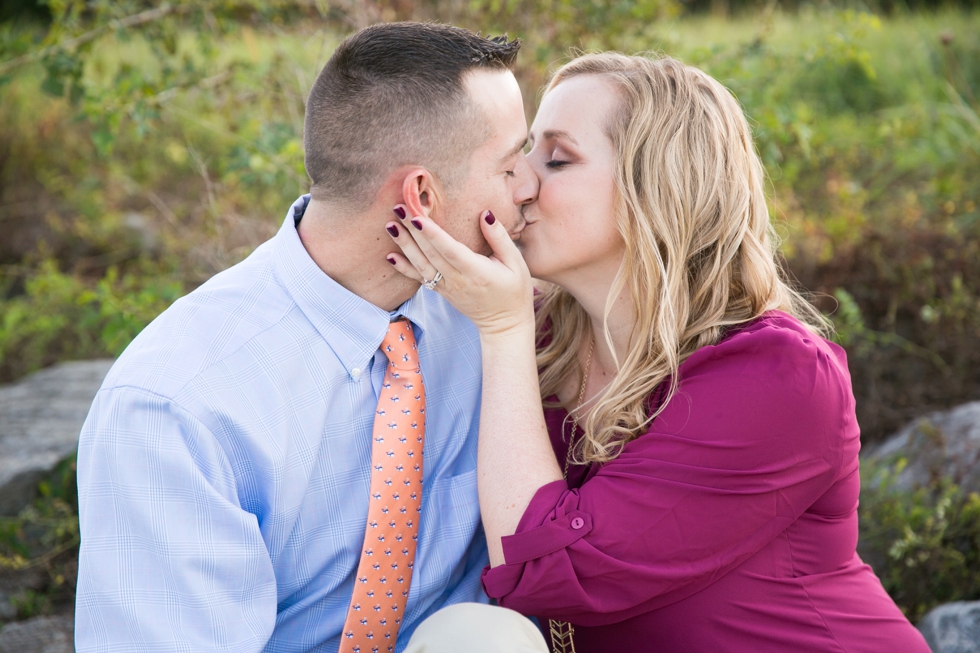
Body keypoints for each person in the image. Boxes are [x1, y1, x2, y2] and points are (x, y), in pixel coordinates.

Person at [386, 53, 932, 652]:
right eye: (523, 154)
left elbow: (547, 574)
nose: (521, 183)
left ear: (658, 187)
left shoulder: (778, 379)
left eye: (558, 158)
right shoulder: (538, 337)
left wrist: (499, 327)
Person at [74, 22, 549, 653]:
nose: (529, 185)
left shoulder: (493, 313)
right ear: (422, 196)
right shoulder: (176, 403)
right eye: (510, 162)